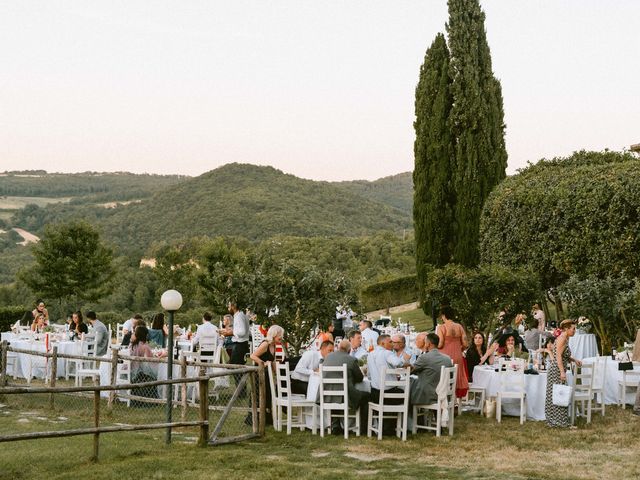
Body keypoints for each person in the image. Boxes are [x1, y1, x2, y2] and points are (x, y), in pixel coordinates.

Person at [321, 339, 370, 435]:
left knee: (336, 395)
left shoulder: (328, 357)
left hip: (327, 394)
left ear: (338, 348)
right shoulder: (351, 359)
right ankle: (363, 429)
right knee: (367, 396)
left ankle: (335, 426)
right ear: (349, 350)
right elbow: (360, 378)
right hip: (345, 396)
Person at [545, 319, 582, 428]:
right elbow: (558, 356)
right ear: (566, 328)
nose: (575, 331)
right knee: (559, 394)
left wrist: (574, 359)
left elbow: (564, 354)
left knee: (559, 395)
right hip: (556, 370)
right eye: (573, 328)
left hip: (558, 369)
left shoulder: (565, 338)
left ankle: (558, 421)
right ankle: (558, 422)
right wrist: (562, 371)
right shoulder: (562, 339)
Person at [410, 333, 453, 406]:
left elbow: (410, 371)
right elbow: (451, 376)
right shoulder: (448, 358)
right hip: (445, 393)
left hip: (429, 395)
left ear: (428, 344)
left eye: (425, 342)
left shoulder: (424, 357)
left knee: (410, 390)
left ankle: (412, 416)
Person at [437, 306, 469, 398]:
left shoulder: (441, 328)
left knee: (445, 379)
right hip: (458, 356)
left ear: (443, 316)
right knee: (456, 377)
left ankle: (446, 401)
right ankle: (455, 402)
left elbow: (440, 344)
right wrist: (460, 350)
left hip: (445, 357)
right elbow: (466, 344)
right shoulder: (459, 326)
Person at [367, 334, 405, 404]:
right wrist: (406, 363)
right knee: (406, 393)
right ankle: (407, 414)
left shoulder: (370, 354)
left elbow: (369, 376)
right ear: (382, 343)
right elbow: (397, 362)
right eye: (390, 342)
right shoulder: (387, 353)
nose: (392, 344)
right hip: (388, 396)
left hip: (375, 395)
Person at [129, 325, 158, 407]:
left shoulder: (132, 345)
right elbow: (149, 363)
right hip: (141, 374)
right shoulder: (145, 347)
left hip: (131, 372)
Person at [223, 301, 250, 366]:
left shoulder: (239, 316)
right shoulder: (241, 315)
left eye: (229, 306)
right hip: (242, 344)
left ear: (234, 306)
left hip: (240, 345)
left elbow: (242, 332)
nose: (228, 308)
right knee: (237, 368)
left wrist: (230, 333)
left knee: (235, 368)